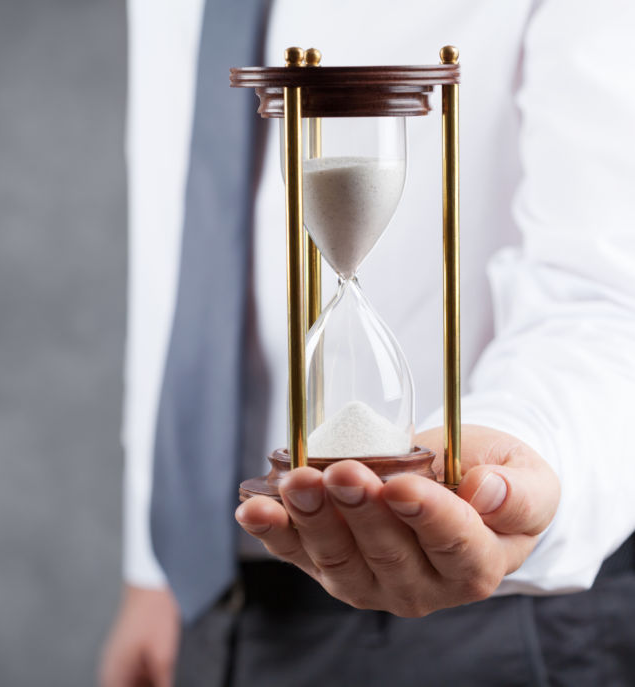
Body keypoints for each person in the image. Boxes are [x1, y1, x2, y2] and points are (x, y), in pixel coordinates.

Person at [101, 1, 635, 685]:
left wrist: (524, 451)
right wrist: (158, 567)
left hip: (501, 608)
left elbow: (610, 280)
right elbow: (181, 226)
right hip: (220, 595)